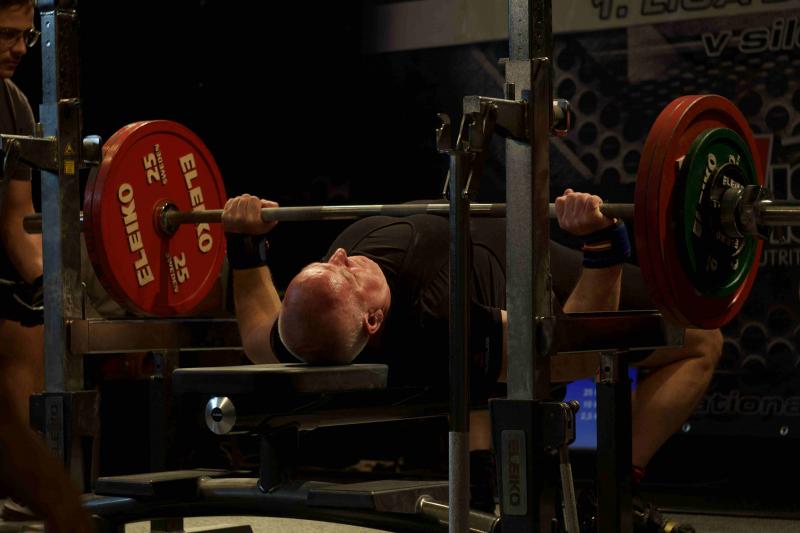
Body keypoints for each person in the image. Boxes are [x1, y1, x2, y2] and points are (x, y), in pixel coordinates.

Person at [222, 191, 721, 532]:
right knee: (701, 339)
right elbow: (575, 358)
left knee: (481, 359)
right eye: (347, 273)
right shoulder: (435, 318)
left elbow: (258, 338)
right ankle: (609, 492)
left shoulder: (306, 324)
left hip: (462, 235)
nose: (340, 256)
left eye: (325, 262)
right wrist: (602, 246)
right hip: (512, 259)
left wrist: (245, 246)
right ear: (373, 320)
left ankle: (484, 480)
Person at [0, 1, 94, 530]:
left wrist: (49, 286)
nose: (18, 49)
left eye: (25, 37)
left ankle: (23, 494)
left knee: (30, 320)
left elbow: (16, 214)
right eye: (4, 36)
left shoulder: (13, 103)